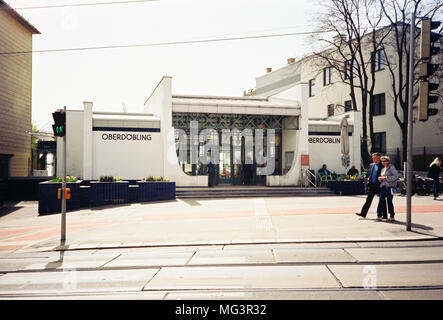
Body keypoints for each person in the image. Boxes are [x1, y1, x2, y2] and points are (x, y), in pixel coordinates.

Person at [356, 153, 383, 218]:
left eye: (375, 158)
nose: (373, 159)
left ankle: (383, 215)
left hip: (380, 185)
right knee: (368, 200)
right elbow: (369, 174)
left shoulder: (382, 165)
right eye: (373, 158)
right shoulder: (371, 165)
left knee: (382, 201)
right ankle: (363, 213)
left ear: (379, 158)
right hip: (372, 185)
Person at [376, 156, 398, 221]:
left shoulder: (391, 167)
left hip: (389, 186)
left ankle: (392, 216)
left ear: (388, 161)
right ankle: (379, 215)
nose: (383, 162)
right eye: (382, 161)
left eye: (385, 161)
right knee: (381, 200)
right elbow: (382, 177)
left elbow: (396, 176)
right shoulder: (383, 169)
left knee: (389, 201)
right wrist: (380, 179)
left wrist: (386, 178)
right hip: (383, 186)